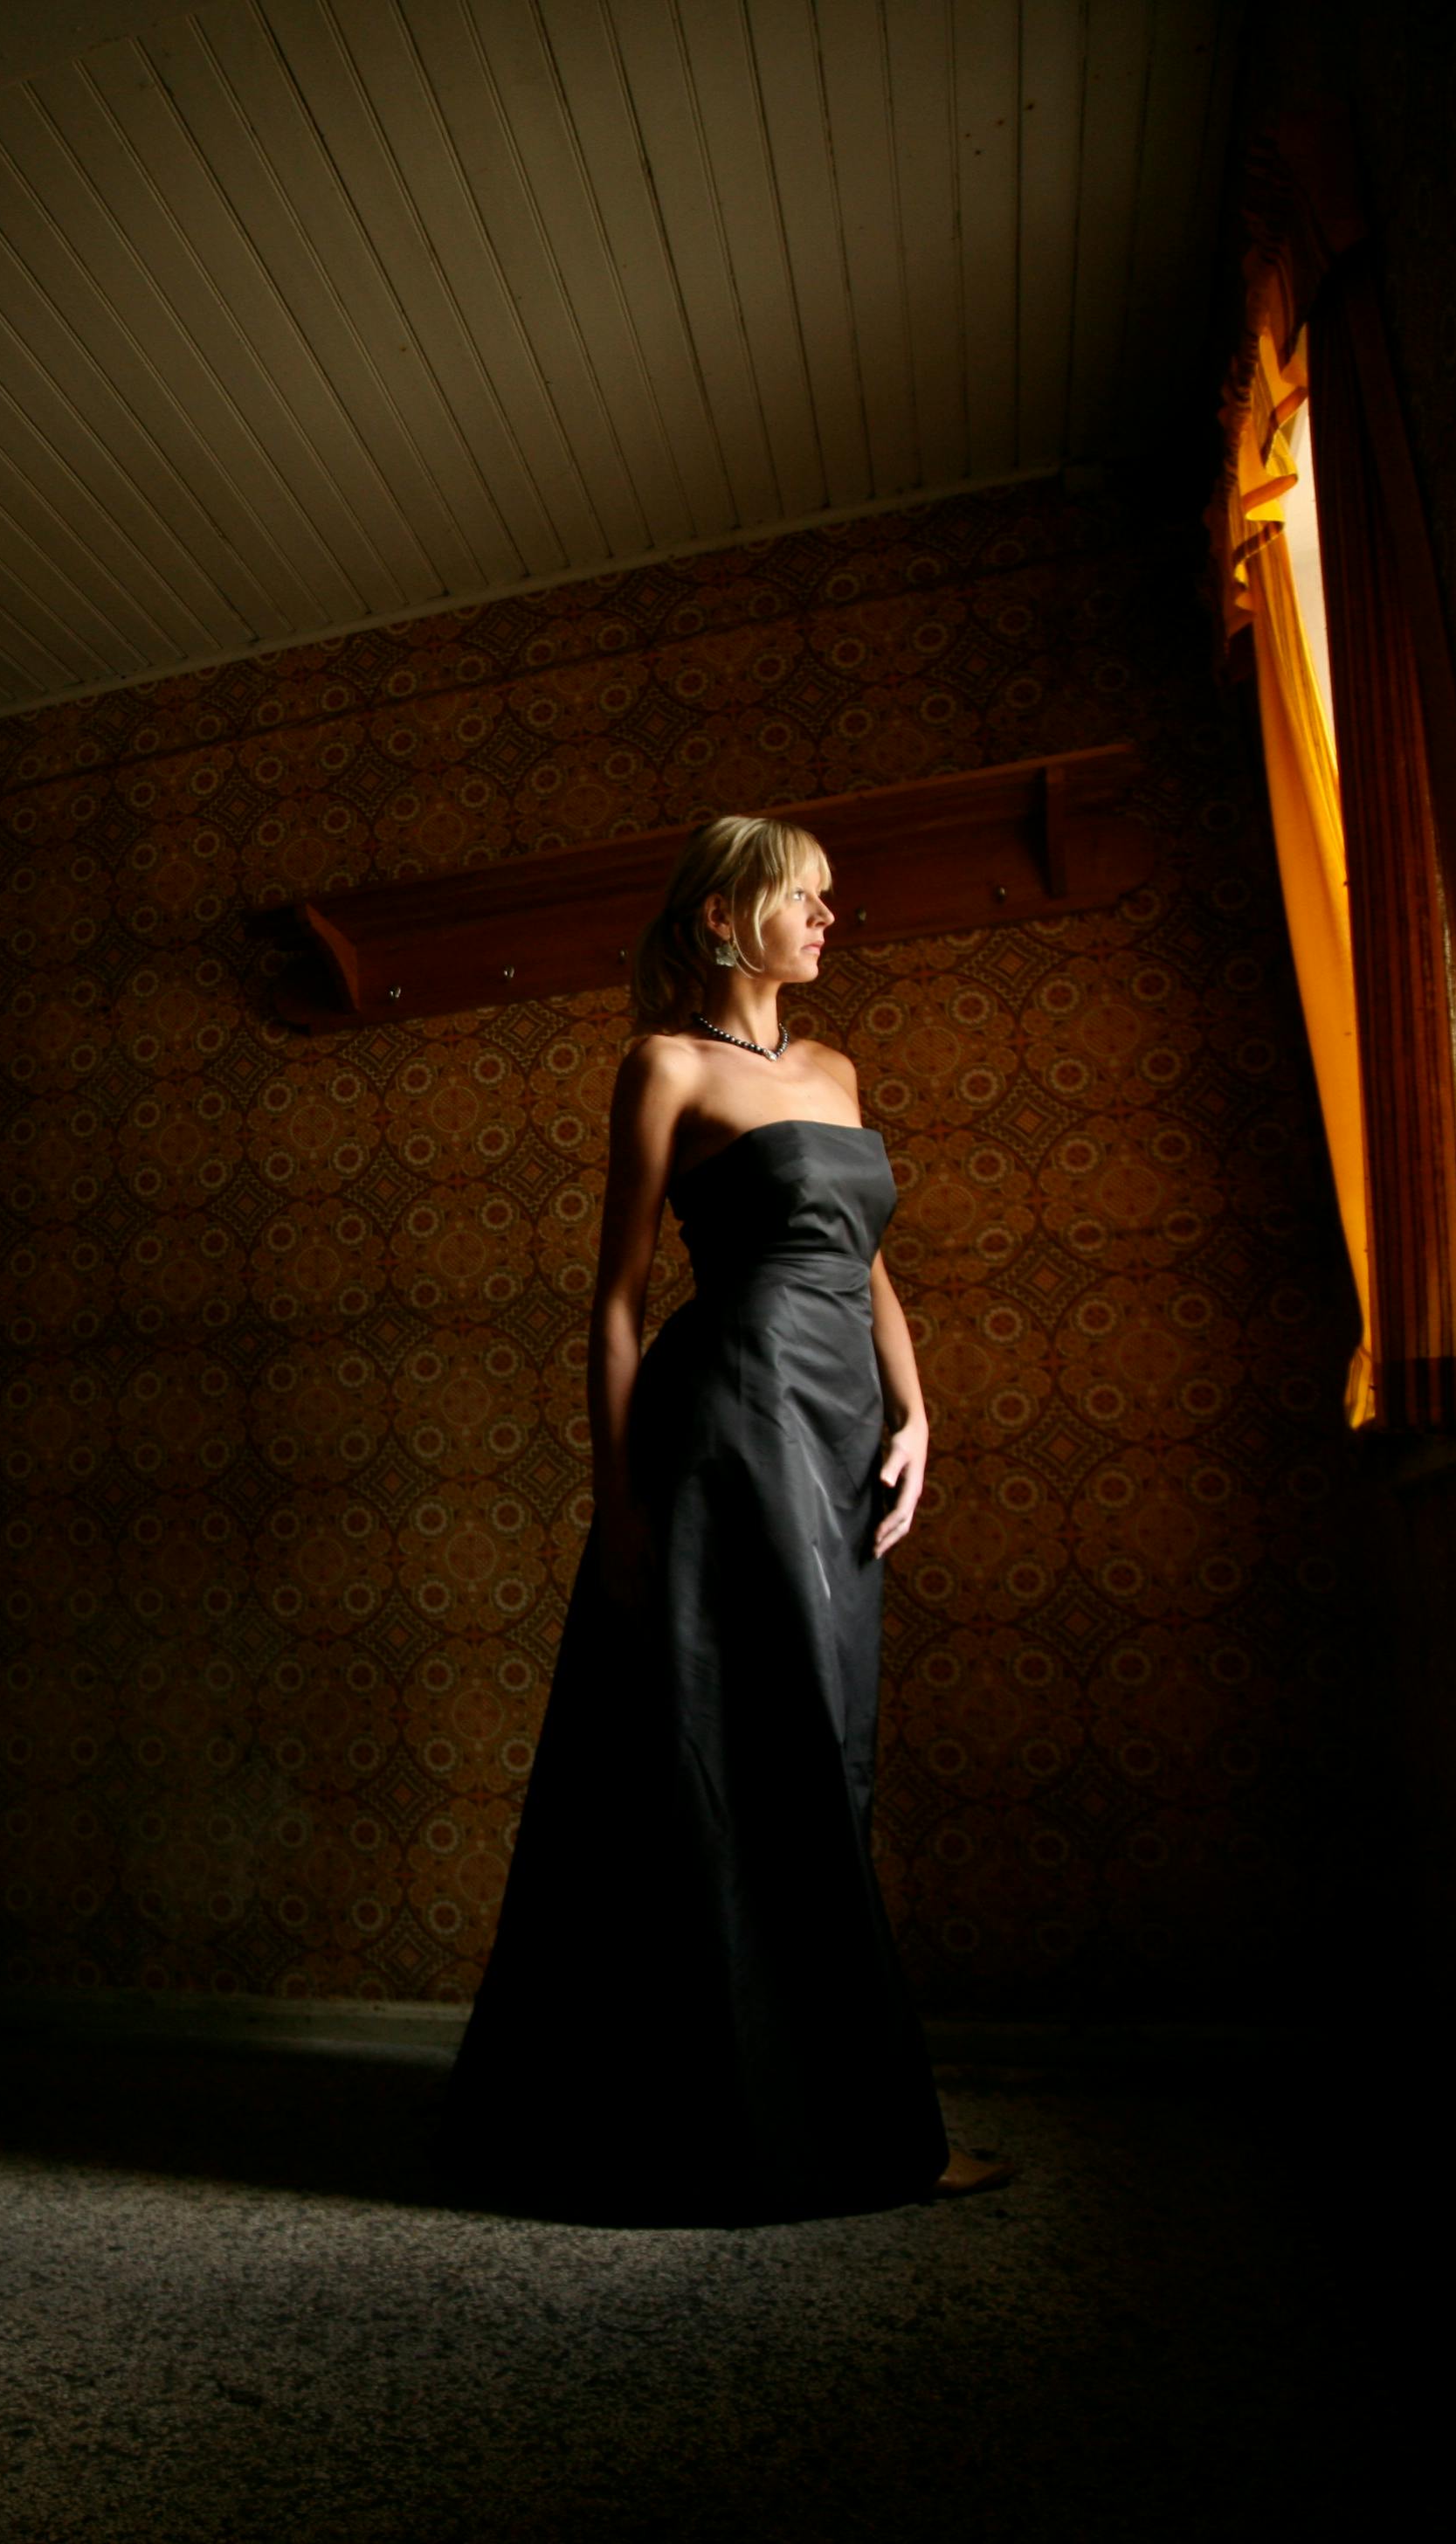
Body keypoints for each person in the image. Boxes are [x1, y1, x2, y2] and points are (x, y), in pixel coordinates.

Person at [439, 812, 1012, 2223]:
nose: (830, 918)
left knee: (831, 1759)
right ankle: (853, 2137)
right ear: (721, 918)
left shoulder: (836, 1068)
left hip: (841, 1430)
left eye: (830, 897)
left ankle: (830, 2115)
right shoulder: (666, 1066)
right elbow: (620, 1301)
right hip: (729, 1425)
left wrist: (919, 1415)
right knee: (745, 1761)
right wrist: (620, 1499)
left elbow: (865, 1262)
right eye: (804, 899)